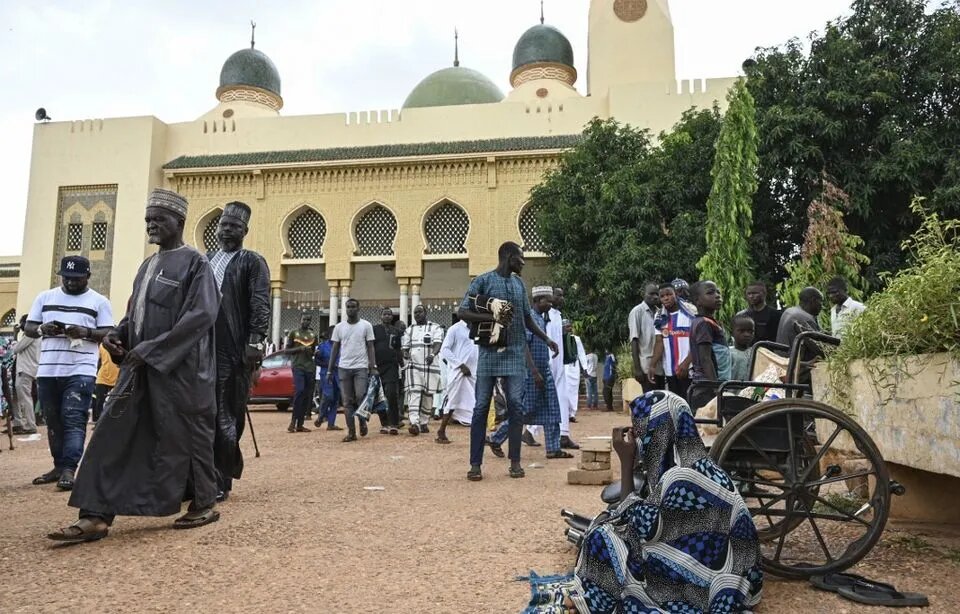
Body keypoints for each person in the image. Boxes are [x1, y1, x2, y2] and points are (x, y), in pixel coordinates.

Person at [47, 188, 222, 543]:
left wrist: (153, 350)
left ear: (179, 222)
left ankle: (204, 502)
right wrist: (117, 335)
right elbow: (135, 313)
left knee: (188, 438)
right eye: (148, 220)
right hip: (140, 368)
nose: (151, 226)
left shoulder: (196, 264)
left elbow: (201, 315)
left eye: (159, 219)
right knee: (110, 434)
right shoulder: (147, 266)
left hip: (182, 374)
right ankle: (95, 515)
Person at [522, 391, 762, 613]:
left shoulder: (679, 477)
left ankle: (593, 600)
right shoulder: (700, 466)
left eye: (639, 430)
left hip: (705, 588)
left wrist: (626, 463)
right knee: (613, 529)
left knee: (602, 537)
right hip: (731, 580)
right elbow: (636, 517)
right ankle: (592, 595)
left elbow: (638, 528)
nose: (637, 438)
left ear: (659, 431)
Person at [458, 241, 558, 481]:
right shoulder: (483, 281)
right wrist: (492, 315)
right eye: (520, 258)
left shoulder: (518, 284)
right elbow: (462, 311)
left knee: (516, 406)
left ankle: (515, 463)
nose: (523, 262)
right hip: (489, 353)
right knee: (481, 407)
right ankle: (475, 465)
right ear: (508, 257)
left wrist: (546, 339)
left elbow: (526, 319)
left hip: (514, 353)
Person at [24, 256, 113, 491]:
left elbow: (107, 332)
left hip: (80, 369)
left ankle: (69, 469)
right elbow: (29, 327)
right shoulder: (44, 298)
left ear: (88, 276)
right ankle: (58, 466)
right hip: (48, 369)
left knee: (73, 417)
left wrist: (86, 332)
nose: (71, 282)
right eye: (67, 278)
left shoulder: (99, 301)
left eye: (77, 279)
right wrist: (42, 329)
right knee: (53, 419)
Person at [207, 201, 270, 500]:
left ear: (245, 231)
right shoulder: (206, 259)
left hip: (233, 350)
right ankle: (200, 476)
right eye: (223, 225)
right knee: (201, 413)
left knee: (226, 413)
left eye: (234, 226)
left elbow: (260, 303)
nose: (227, 230)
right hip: (202, 348)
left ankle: (221, 478)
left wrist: (255, 343)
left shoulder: (252, 261)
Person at [488, 286, 572, 461]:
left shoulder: (541, 319)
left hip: (544, 370)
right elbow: (523, 346)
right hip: (532, 373)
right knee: (524, 411)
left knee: (552, 408)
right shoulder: (529, 319)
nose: (550, 304)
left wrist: (549, 343)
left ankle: (553, 448)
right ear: (537, 301)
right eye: (547, 301)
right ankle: (496, 439)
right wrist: (534, 372)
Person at [327, 298, 377, 443]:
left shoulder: (366, 325)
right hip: (344, 367)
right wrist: (329, 370)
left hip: (361, 367)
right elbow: (335, 349)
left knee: (360, 396)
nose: (350, 309)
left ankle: (362, 421)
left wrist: (373, 366)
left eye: (353, 307)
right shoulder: (339, 327)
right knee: (347, 401)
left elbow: (370, 347)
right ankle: (351, 432)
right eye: (348, 307)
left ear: (358, 308)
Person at [688, 280, 731, 411]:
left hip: (709, 385)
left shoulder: (708, 322)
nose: (717, 295)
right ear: (698, 301)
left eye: (718, 292)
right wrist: (716, 388)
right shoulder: (704, 324)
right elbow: (705, 358)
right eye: (710, 293)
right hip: (707, 388)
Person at [402, 304, 444, 436]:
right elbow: (405, 347)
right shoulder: (409, 330)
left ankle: (424, 422)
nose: (417, 315)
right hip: (413, 366)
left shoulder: (435, 327)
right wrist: (405, 353)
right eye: (415, 312)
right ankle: (414, 423)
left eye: (420, 312)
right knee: (414, 392)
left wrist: (432, 354)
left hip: (430, 365)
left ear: (426, 313)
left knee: (428, 394)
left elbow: (438, 343)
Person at [648, 283, 694, 400]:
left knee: (690, 402)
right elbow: (659, 342)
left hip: (689, 369)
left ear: (676, 294)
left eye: (669, 294)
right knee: (675, 403)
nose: (666, 298)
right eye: (662, 296)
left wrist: (686, 363)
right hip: (670, 370)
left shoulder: (690, 311)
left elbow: (697, 341)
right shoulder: (659, 316)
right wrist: (652, 365)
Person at [436, 315, 477, 444]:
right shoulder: (455, 329)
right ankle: (441, 431)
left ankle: (478, 436)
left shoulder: (477, 328)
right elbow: (445, 350)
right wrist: (460, 365)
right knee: (453, 402)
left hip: (474, 373)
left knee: (476, 403)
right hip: (459, 373)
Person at [372, 308, 403, 435]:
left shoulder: (396, 331)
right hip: (377, 366)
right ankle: (384, 424)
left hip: (391, 366)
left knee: (391, 394)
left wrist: (402, 365)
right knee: (379, 396)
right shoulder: (374, 330)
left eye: (389, 314)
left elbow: (398, 349)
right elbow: (370, 347)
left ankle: (394, 423)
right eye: (385, 314)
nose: (387, 316)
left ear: (392, 316)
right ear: (381, 316)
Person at [629, 282, 663, 392]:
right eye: (651, 294)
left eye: (657, 294)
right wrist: (637, 369)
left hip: (661, 367)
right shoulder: (637, 312)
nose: (655, 297)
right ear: (643, 294)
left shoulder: (660, 313)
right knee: (650, 399)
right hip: (646, 367)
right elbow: (634, 340)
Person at [286, 313, 317, 433]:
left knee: (306, 395)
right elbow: (287, 350)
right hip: (298, 366)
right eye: (304, 319)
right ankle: (293, 421)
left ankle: (300, 424)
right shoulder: (294, 333)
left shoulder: (313, 335)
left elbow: (314, 352)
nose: (306, 321)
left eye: (308, 320)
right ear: (300, 320)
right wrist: (299, 348)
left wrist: (313, 353)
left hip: (309, 368)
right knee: (299, 391)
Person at [11, 315, 39, 434]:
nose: (20, 325)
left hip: (25, 370)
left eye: (22, 323)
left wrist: (14, 334)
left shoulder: (31, 335)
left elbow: (15, 349)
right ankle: (18, 423)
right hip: (25, 369)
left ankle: (30, 425)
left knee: (25, 398)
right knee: (17, 397)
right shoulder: (33, 335)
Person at [313, 326, 342, 430]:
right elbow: (316, 361)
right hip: (326, 374)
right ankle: (321, 416)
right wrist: (329, 365)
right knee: (328, 396)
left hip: (338, 374)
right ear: (329, 335)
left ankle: (331, 423)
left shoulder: (342, 346)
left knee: (336, 399)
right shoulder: (322, 346)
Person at [562, 319, 587, 423]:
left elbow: (581, 353)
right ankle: (564, 413)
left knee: (573, 391)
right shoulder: (558, 338)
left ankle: (572, 414)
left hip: (573, 367)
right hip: (562, 367)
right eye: (567, 326)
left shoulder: (576, 339)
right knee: (563, 391)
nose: (569, 328)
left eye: (570, 326)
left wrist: (585, 368)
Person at [91, 344, 119, 423]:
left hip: (118, 377)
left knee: (117, 401)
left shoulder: (121, 344)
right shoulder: (102, 345)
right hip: (102, 377)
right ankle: (97, 421)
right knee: (99, 400)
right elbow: (96, 359)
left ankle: (114, 422)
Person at [730, 314, 756, 381]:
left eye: (750, 331)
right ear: (732, 332)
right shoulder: (728, 353)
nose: (747, 334)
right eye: (741, 331)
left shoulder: (755, 352)